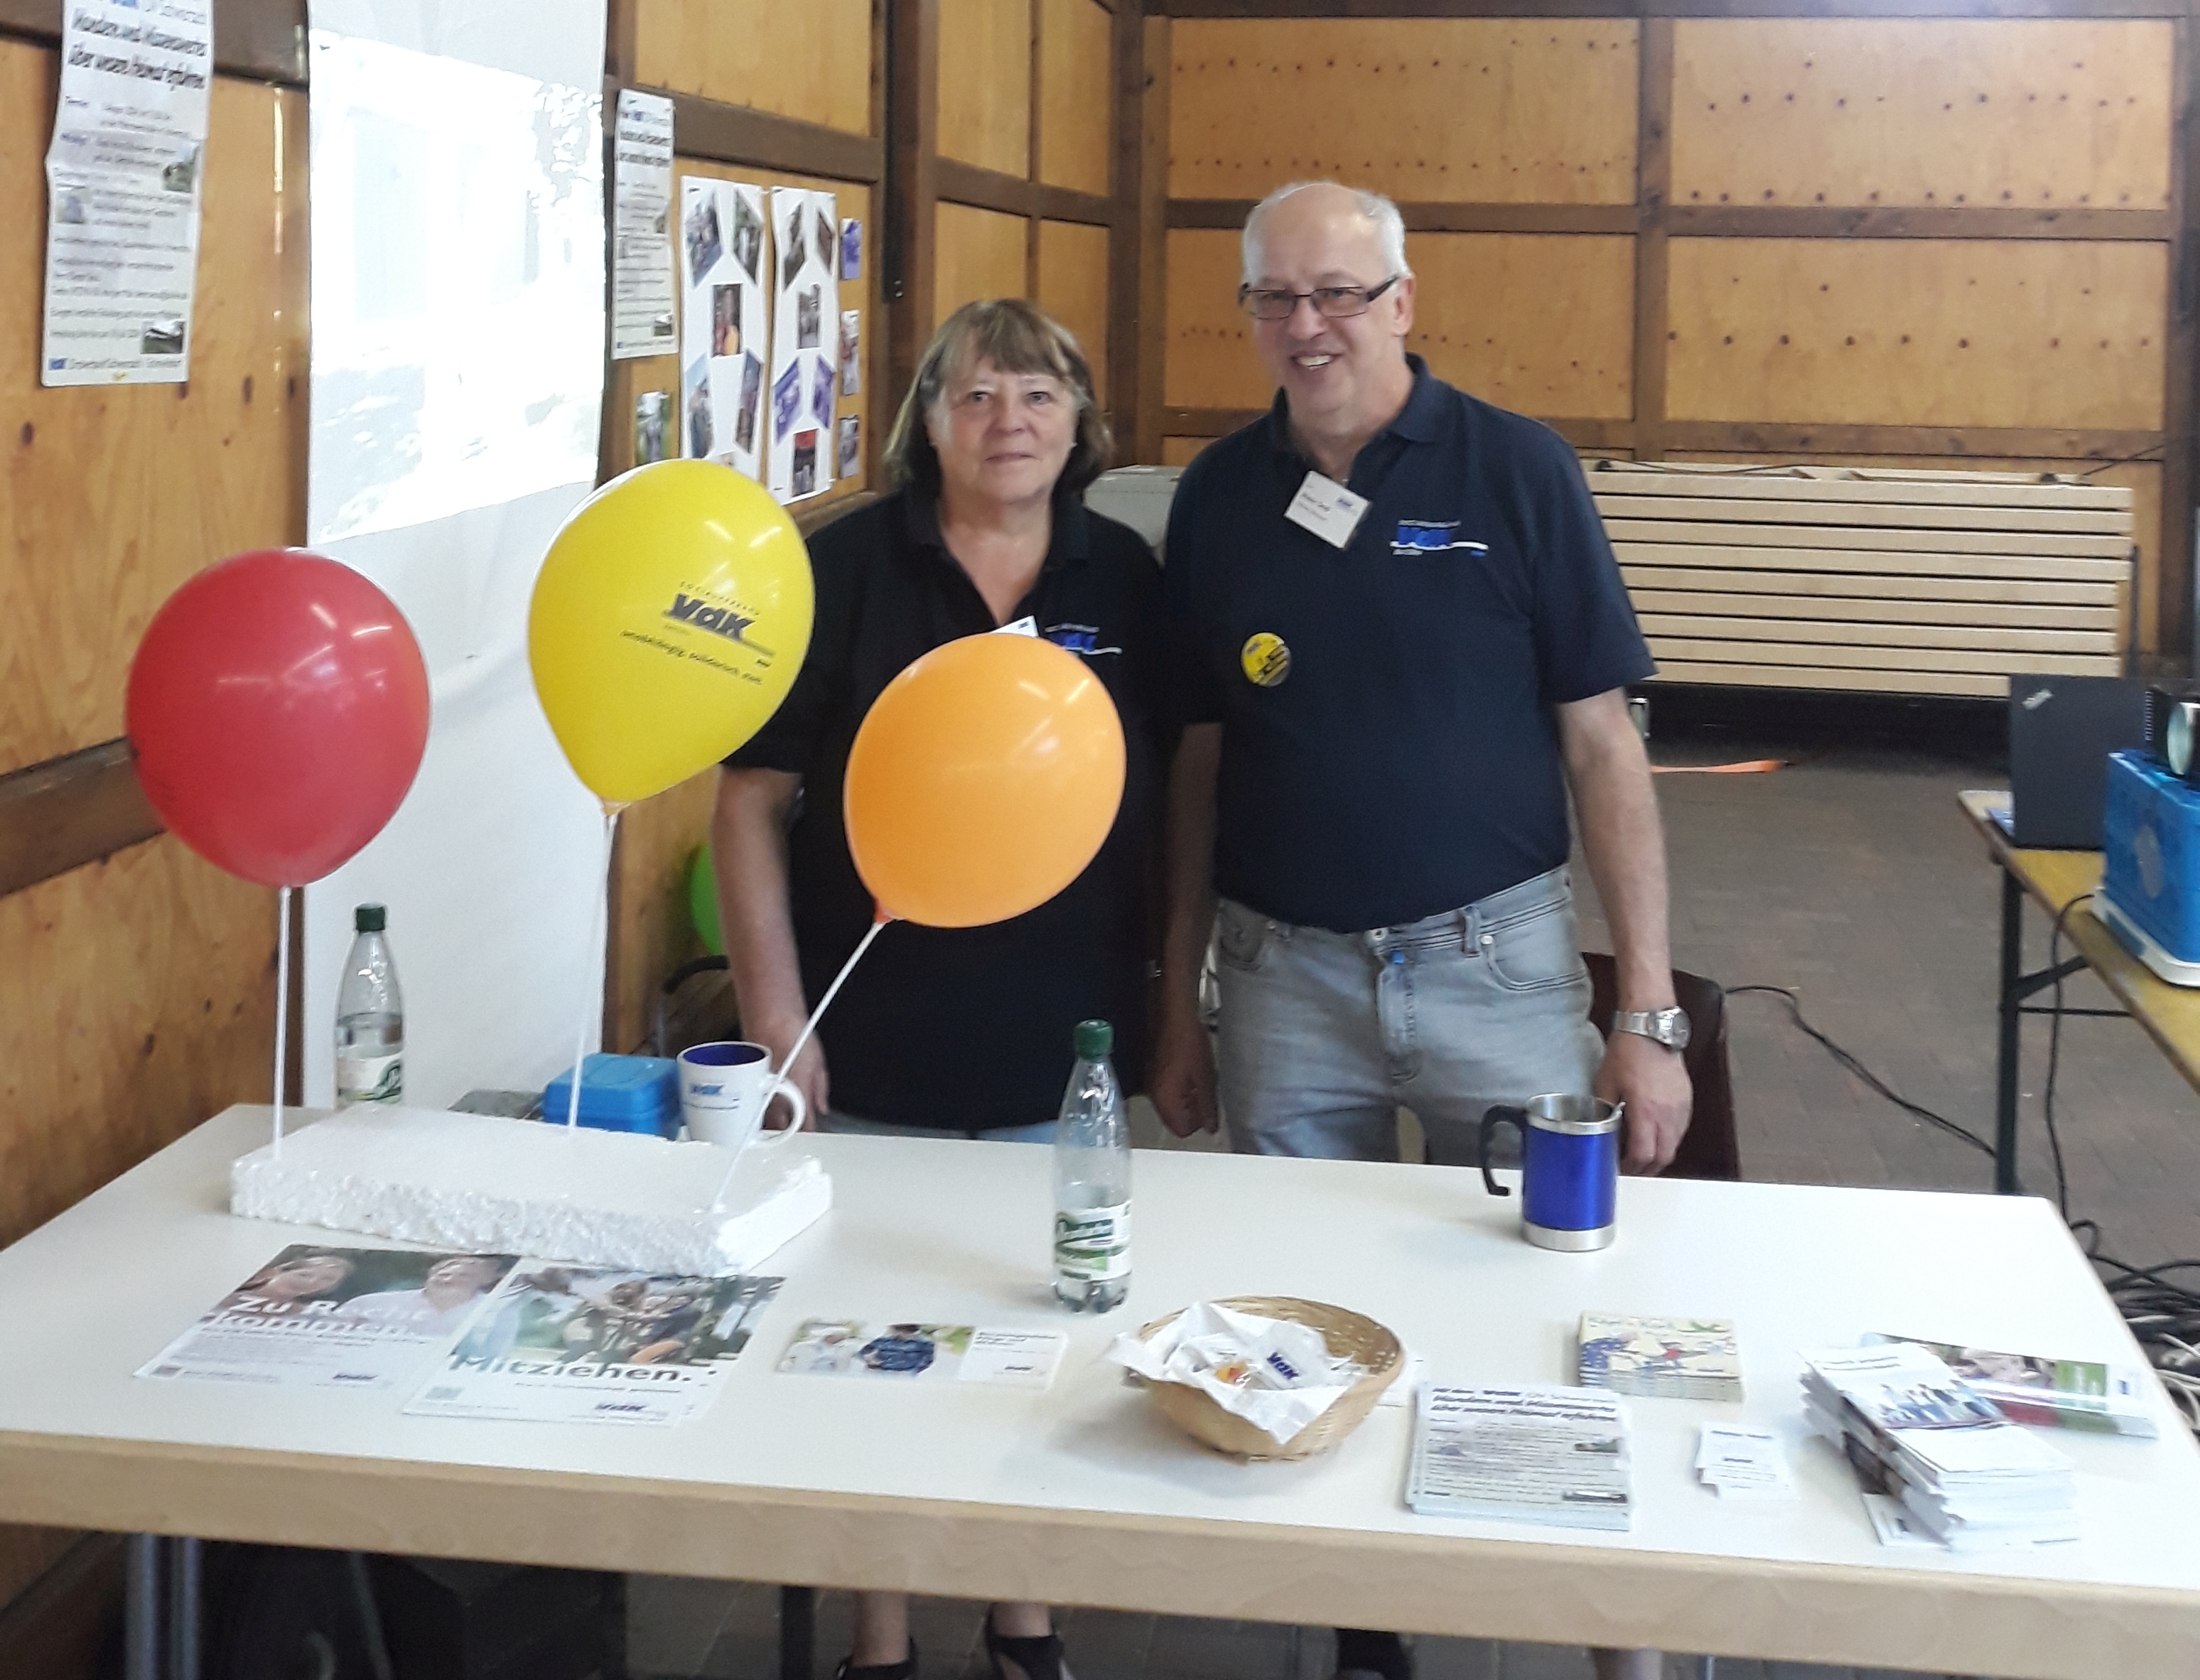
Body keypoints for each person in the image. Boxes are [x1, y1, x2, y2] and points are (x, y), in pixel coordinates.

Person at [1149, 181, 1691, 1680]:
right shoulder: (1217, 494)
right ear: (1249, 312)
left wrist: (1643, 1014)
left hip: (1499, 972)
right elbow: (1199, 758)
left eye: (1338, 293)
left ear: (1402, 300)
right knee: (1294, 1337)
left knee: (1543, 1301)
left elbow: (1602, 746)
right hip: (1279, 977)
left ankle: (1599, 1627)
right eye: (1277, 298)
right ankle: (1358, 1623)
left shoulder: (1516, 470)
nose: (1307, 326)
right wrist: (1177, 997)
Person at [713, 297, 1164, 1680]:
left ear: (1080, 420)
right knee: (868, 1349)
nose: (1008, 421)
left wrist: (1176, 1010)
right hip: (875, 1033)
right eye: (974, 396)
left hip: (1062, 1038)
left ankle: (1025, 1627)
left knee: (1044, 1332)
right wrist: (779, 1024)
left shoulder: (1129, 579)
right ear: (928, 420)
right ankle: (881, 1641)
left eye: (1037, 394)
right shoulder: (843, 568)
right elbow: (747, 806)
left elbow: (1174, 793)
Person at [338, 1254, 507, 1338]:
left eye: (464, 1276)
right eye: (442, 1274)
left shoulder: (498, 1311)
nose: (448, 1279)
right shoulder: (371, 1302)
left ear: (482, 1283)